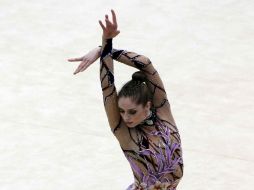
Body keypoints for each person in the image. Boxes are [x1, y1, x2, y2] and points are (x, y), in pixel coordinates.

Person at [68, 9, 184, 190]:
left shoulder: (164, 114)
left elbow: (145, 64)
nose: (126, 117)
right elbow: (108, 88)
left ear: (148, 106)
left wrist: (104, 51)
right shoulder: (125, 133)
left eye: (132, 111)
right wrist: (105, 42)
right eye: (121, 111)